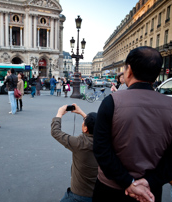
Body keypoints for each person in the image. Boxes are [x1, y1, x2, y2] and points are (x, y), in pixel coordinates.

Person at [93, 46, 172, 202]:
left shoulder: (112, 102)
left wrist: (128, 182)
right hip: (149, 193)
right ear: (156, 75)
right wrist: (151, 181)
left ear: (128, 71)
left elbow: (101, 149)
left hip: (110, 190)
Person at [51, 104, 98, 202]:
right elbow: (97, 127)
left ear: (85, 129)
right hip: (98, 192)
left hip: (79, 195)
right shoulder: (106, 141)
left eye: (84, 122)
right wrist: (82, 113)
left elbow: (55, 132)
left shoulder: (80, 144)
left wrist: (59, 113)